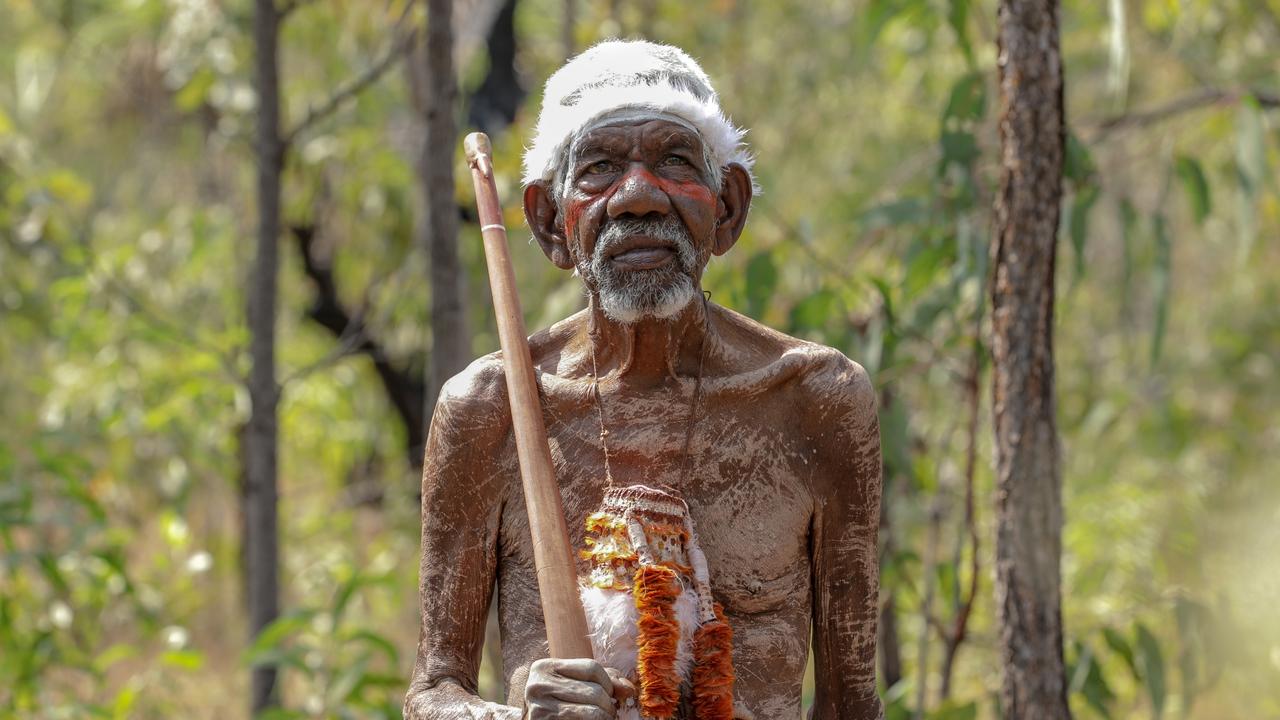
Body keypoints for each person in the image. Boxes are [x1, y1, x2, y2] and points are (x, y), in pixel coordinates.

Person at [403, 40, 883, 720]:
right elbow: (431, 692)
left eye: (675, 163)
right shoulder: (489, 409)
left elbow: (853, 705)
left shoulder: (817, 402)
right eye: (599, 169)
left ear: (728, 208)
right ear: (548, 224)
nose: (637, 198)